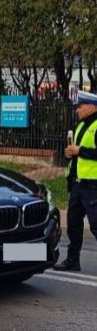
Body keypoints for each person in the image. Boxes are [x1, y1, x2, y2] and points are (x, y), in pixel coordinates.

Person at [53, 90, 97, 272]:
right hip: (78, 184)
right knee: (73, 224)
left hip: (93, 185)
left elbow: (86, 151)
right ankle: (72, 261)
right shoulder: (80, 126)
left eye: (80, 106)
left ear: (91, 107)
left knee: (95, 225)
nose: (77, 110)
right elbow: (77, 153)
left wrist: (81, 151)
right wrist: (70, 154)